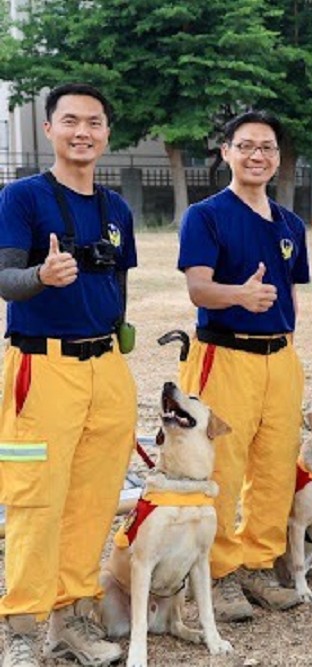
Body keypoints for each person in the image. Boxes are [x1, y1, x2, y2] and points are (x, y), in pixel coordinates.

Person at [0, 83, 136, 667]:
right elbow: (5, 278)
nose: (84, 131)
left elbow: (119, 282)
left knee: (93, 498)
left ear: (107, 133)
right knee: (36, 500)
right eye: (71, 120)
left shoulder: (117, 209)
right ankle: (25, 628)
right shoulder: (22, 198)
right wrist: (41, 278)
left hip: (106, 369)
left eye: (95, 122)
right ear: (51, 129)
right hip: (42, 368)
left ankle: (72, 616)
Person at [177, 110, 309, 621]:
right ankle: (217, 571)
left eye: (268, 148)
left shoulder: (290, 224)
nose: (258, 156)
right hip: (224, 355)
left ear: (277, 158)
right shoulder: (207, 215)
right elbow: (198, 288)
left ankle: (257, 563)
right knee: (223, 469)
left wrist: (285, 334)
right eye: (247, 146)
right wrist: (241, 296)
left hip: (279, 359)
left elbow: (290, 294)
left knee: (275, 469)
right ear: (227, 152)